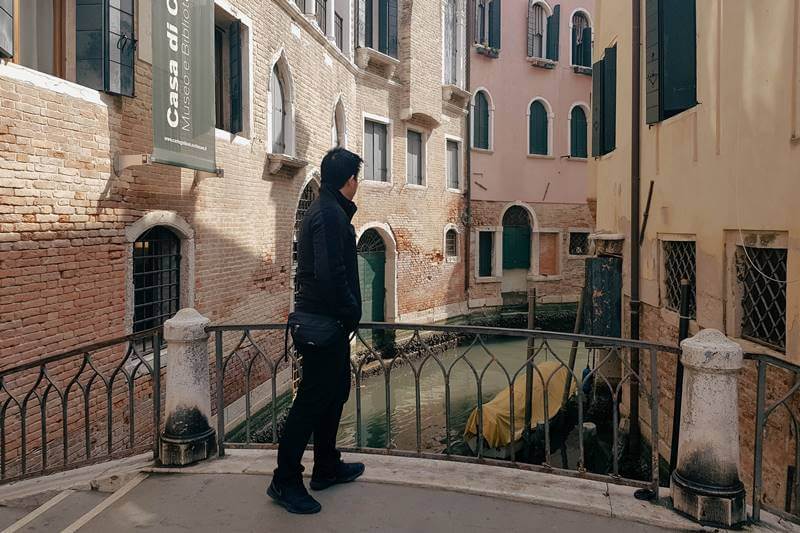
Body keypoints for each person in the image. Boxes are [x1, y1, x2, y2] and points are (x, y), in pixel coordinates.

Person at [267, 148, 365, 514]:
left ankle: (326, 466)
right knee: (310, 402)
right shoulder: (327, 214)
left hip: (331, 323)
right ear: (349, 180)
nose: (359, 184)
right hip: (324, 323)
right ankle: (284, 479)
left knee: (335, 391)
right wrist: (351, 309)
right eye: (357, 177)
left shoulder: (330, 211)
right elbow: (329, 274)